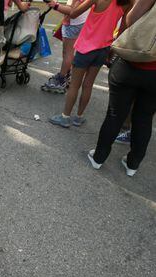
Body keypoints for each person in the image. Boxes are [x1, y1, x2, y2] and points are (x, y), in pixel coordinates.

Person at [88, 0, 156, 176]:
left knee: (115, 113)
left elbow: (132, 17)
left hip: (133, 63)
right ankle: (132, 164)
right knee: (145, 118)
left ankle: (99, 157)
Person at [49, 0, 130, 128]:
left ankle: (65, 116)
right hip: (104, 47)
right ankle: (79, 117)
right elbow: (123, 27)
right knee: (88, 84)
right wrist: (112, 48)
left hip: (86, 46)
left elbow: (74, 13)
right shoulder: (126, 2)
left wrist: (57, 5)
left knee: (75, 85)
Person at [41, 0, 89, 94]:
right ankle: (66, 75)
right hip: (75, 22)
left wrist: (56, 6)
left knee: (68, 53)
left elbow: (73, 11)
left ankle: (61, 79)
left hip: (73, 23)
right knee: (67, 52)